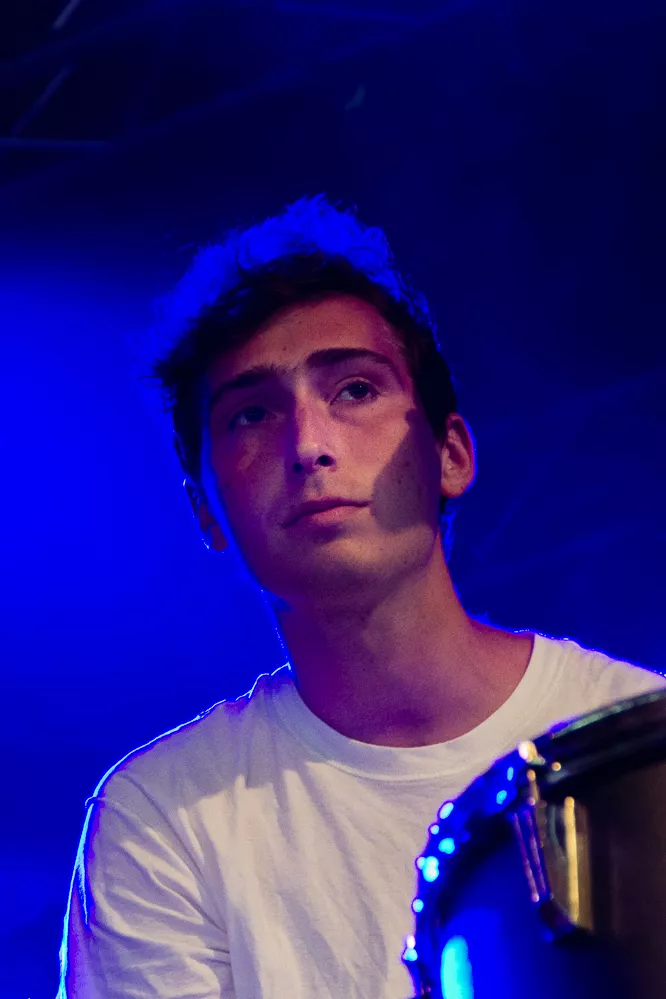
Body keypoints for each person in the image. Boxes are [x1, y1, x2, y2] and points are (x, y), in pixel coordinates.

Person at [58, 195, 665, 999]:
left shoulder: (639, 739)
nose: (308, 445)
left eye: (353, 390)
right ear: (205, 509)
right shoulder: (163, 817)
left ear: (450, 454)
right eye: (251, 414)